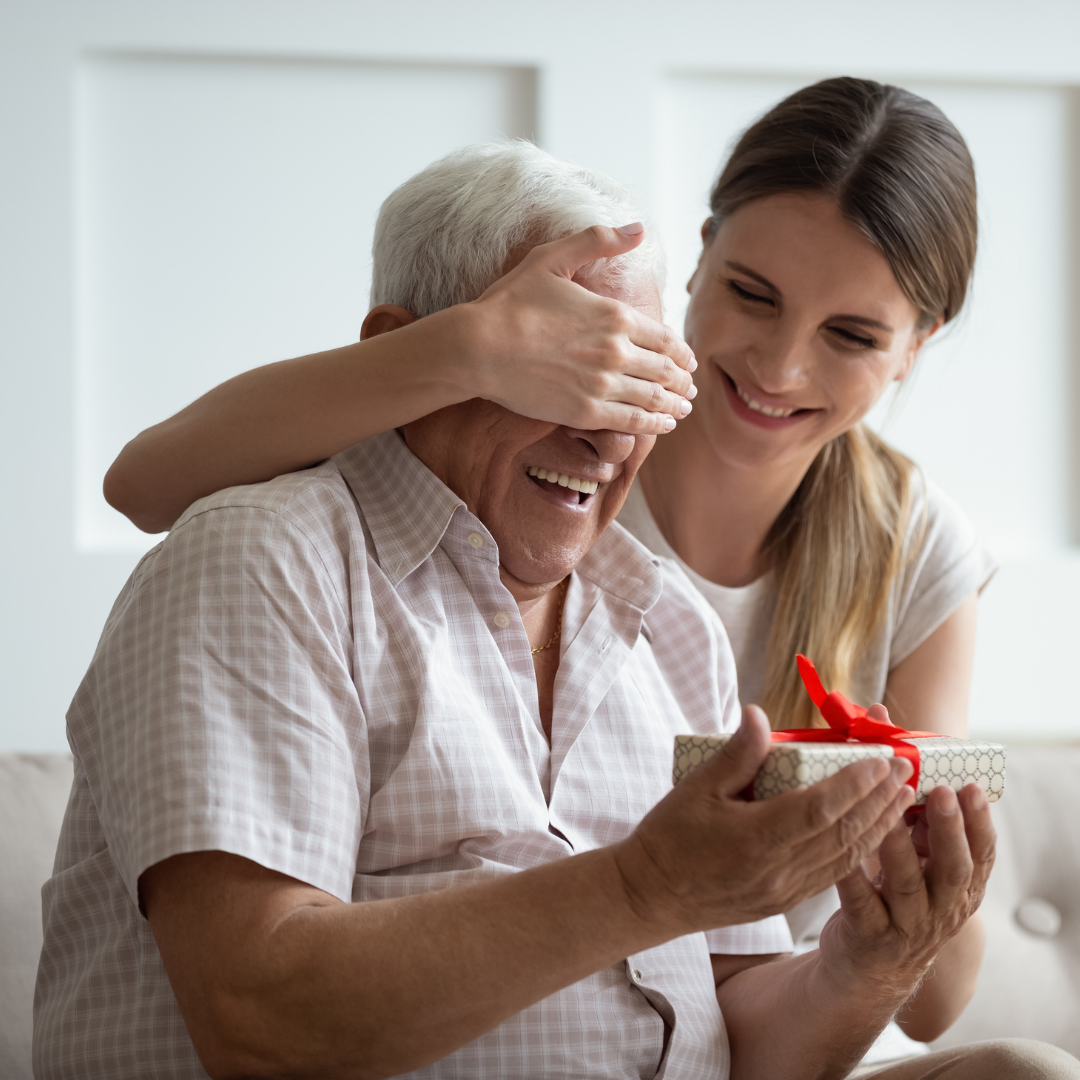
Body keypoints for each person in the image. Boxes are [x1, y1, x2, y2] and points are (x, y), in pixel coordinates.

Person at [35, 141, 1037, 1080]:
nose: (606, 431)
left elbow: (742, 1027)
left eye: (635, 379)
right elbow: (258, 1016)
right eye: (565, 369)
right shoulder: (274, 559)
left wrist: (871, 961)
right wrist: (646, 886)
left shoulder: (670, 625)